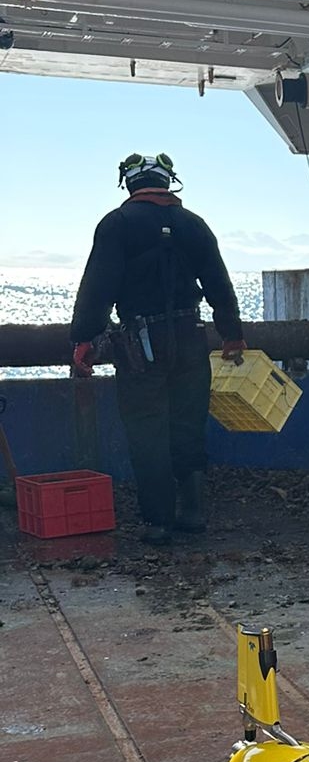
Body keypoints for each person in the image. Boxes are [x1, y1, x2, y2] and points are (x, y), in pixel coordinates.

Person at [69, 153, 246, 547]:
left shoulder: (116, 225)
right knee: (187, 423)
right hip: (190, 338)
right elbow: (219, 283)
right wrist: (232, 333)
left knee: (147, 429)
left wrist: (84, 338)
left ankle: (158, 522)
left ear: (130, 185)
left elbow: (98, 288)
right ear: (168, 182)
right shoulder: (194, 225)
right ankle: (194, 512)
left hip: (141, 344)